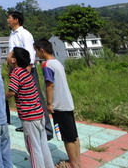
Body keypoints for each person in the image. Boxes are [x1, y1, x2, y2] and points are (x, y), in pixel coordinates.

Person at [34, 39, 81, 168]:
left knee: (67, 136)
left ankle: (72, 163)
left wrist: (49, 103)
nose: (37, 54)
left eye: (37, 51)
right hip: (67, 102)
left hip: (59, 105)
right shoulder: (57, 63)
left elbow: (50, 85)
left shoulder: (47, 65)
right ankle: (77, 160)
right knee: (73, 135)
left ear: (42, 50)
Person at [6, 11, 53, 140]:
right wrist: (11, 70)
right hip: (17, 71)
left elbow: (30, 55)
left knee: (36, 97)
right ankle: (25, 123)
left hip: (27, 70)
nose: (7, 20)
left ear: (16, 20)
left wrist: (26, 72)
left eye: (9, 18)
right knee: (21, 98)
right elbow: (12, 54)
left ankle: (47, 129)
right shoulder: (12, 34)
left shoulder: (24, 34)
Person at [6, 47, 54, 168]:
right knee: (42, 144)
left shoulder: (16, 73)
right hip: (39, 115)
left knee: (33, 149)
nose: (7, 55)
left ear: (13, 60)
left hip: (29, 118)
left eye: (10, 53)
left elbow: (12, 92)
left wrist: (1, 99)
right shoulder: (25, 73)